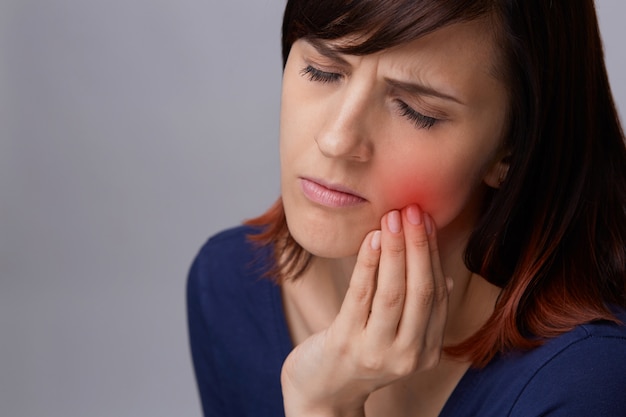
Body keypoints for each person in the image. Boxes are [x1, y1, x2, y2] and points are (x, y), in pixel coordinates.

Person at [187, 0, 626, 416]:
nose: (337, 139)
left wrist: (325, 405)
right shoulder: (228, 286)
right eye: (321, 71)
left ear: (510, 151)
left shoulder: (587, 383)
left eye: (417, 111)